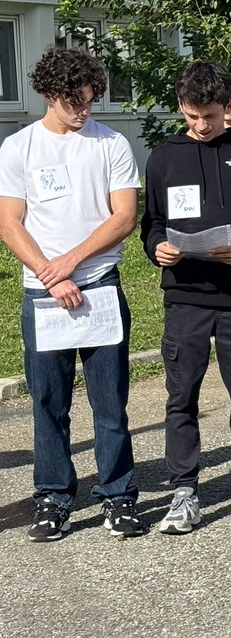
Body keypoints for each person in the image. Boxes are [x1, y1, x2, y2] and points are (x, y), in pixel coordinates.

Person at [0, 47, 147, 541]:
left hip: (100, 285)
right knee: (48, 402)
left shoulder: (111, 144)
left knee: (110, 401)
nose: (85, 110)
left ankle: (119, 495)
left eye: (89, 100)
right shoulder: (18, 148)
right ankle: (53, 496)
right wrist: (50, 271)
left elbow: (123, 216)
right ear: (48, 94)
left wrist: (74, 262)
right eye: (74, 102)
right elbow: (9, 222)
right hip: (43, 292)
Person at [141, 61, 231, 533]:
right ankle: (184, 494)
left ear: (229, 107)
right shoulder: (164, 158)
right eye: (191, 115)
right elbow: (153, 225)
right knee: (181, 396)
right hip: (185, 297)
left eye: (209, 116)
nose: (200, 126)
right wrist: (156, 248)